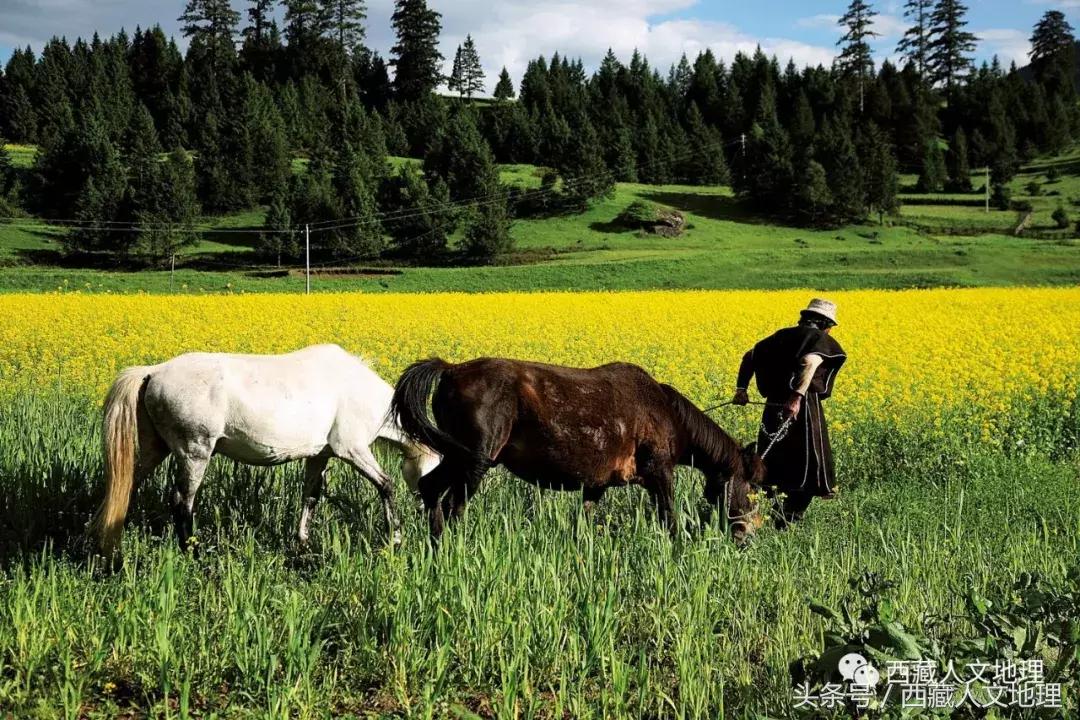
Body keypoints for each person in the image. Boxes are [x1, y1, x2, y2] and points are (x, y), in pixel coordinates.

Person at [732, 298, 847, 526]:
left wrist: (741, 389)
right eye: (830, 325)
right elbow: (809, 362)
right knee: (807, 462)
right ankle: (789, 519)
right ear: (825, 323)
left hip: (773, 407)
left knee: (772, 461)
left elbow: (749, 357)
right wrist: (796, 398)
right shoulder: (818, 339)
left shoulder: (780, 335)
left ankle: (775, 513)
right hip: (802, 409)